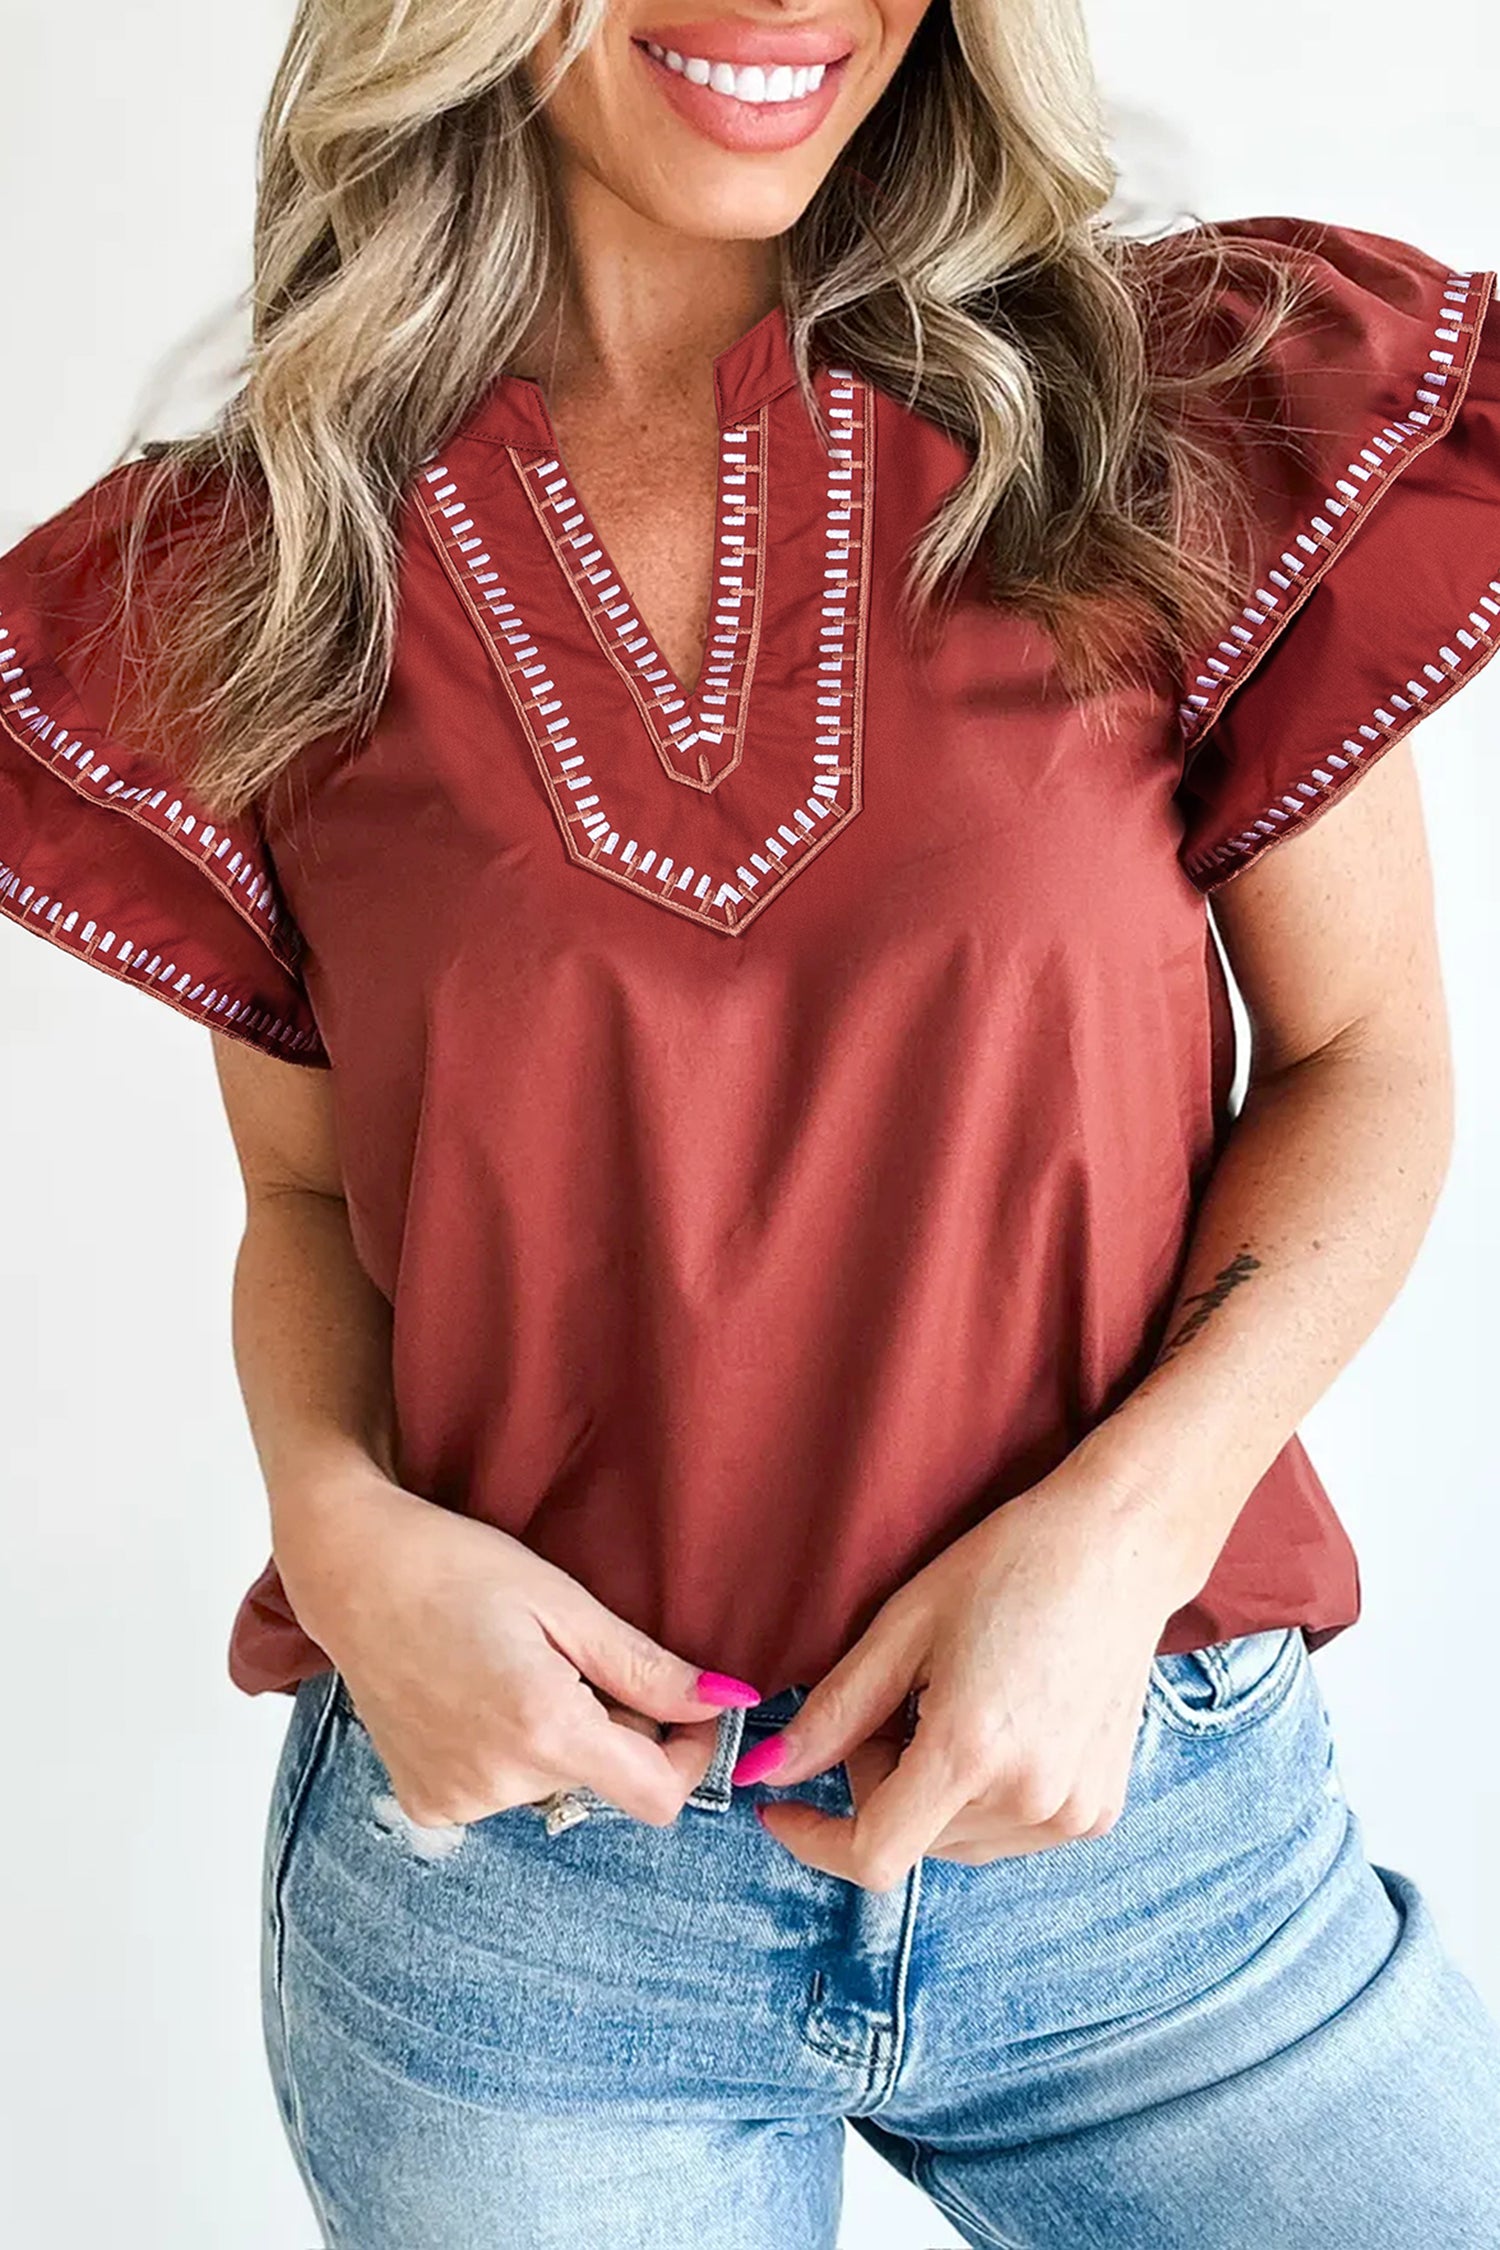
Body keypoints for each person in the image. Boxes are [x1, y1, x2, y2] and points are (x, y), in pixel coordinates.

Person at [5, 0, 1500, 2242]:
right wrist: (336, 1525)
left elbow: (1362, 1060)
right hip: (531, 1908)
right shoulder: (275, 569)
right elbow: (304, 1199)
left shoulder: (1165, 412)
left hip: (1150, 1835)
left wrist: (1120, 1544)